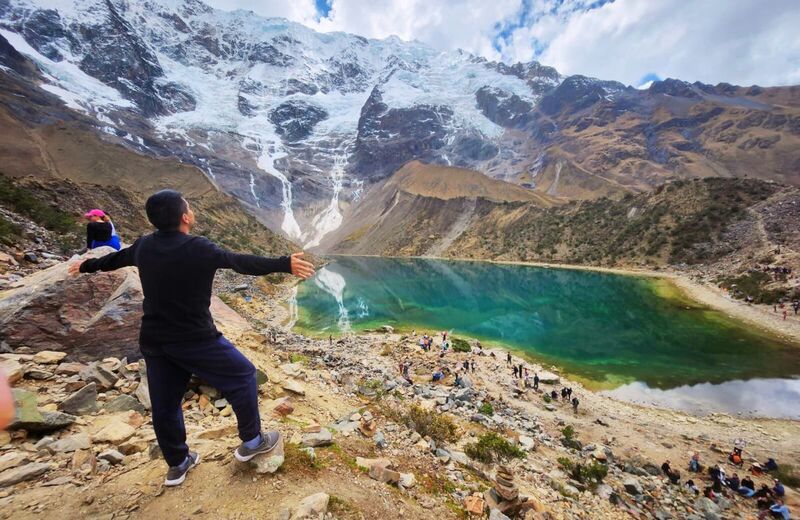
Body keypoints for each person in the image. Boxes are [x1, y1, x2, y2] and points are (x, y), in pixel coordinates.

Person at [69, 190, 315, 487]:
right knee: (244, 376)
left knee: (165, 403)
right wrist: (283, 263)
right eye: (190, 207)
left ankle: (178, 463)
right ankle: (252, 442)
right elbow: (239, 262)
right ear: (185, 216)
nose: (192, 211)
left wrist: (84, 266)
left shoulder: (144, 246)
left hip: (155, 340)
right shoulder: (198, 247)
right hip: (196, 337)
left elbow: (115, 259)